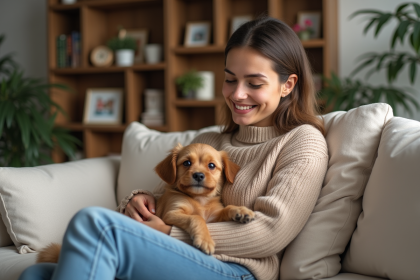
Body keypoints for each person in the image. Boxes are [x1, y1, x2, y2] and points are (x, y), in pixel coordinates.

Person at [19, 16, 328, 280]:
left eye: (254, 83)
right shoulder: (210, 142)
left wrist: (168, 233)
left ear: (287, 85)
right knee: (36, 273)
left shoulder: (303, 141)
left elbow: (270, 233)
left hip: (237, 270)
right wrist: (138, 201)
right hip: (184, 253)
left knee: (93, 223)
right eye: (230, 79)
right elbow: (166, 199)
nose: (237, 94)